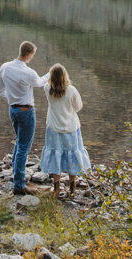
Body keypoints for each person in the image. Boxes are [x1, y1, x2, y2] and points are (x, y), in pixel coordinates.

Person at [0, 41, 48, 195]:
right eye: (33, 54)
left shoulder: (4, 67)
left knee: (19, 142)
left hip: (12, 110)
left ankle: (16, 175)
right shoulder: (29, 72)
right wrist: (50, 74)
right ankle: (19, 185)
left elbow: (1, 91)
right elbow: (39, 83)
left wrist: (13, 100)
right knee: (24, 147)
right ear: (29, 54)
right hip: (26, 111)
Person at [40, 63, 91, 198]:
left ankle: (56, 188)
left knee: (56, 154)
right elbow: (78, 107)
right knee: (72, 155)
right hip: (71, 128)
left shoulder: (47, 88)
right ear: (65, 76)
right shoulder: (72, 90)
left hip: (53, 128)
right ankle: (72, 188)